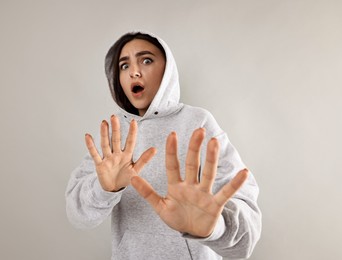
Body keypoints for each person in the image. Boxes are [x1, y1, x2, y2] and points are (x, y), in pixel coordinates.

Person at [65, 31, 262, 260]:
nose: (134, 72)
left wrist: (215, 227)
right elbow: (77, 216)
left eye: (146, 60)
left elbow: (245, 239)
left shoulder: (198, 122)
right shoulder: (115, 135)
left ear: (167, 70)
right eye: (124, 66)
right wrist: (104, 189)